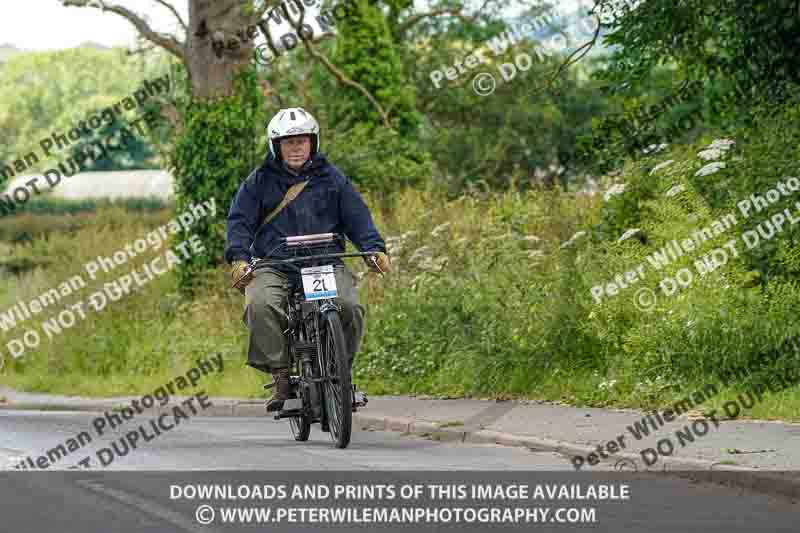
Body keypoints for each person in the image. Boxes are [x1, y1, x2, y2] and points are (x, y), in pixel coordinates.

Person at [225, 107, 390, 412]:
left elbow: (358, 218)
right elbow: (239, 223)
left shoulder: (333, 179)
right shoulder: (258, 182)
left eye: (302, 140)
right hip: (276, 265)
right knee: (259, 303)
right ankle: (281, 373)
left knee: (350, 307)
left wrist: (373, 249)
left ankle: (341, 374)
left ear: (313, 142)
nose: (296, 147)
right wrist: (238, 258)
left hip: (324, 262)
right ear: (276, 147)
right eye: (289, 142)